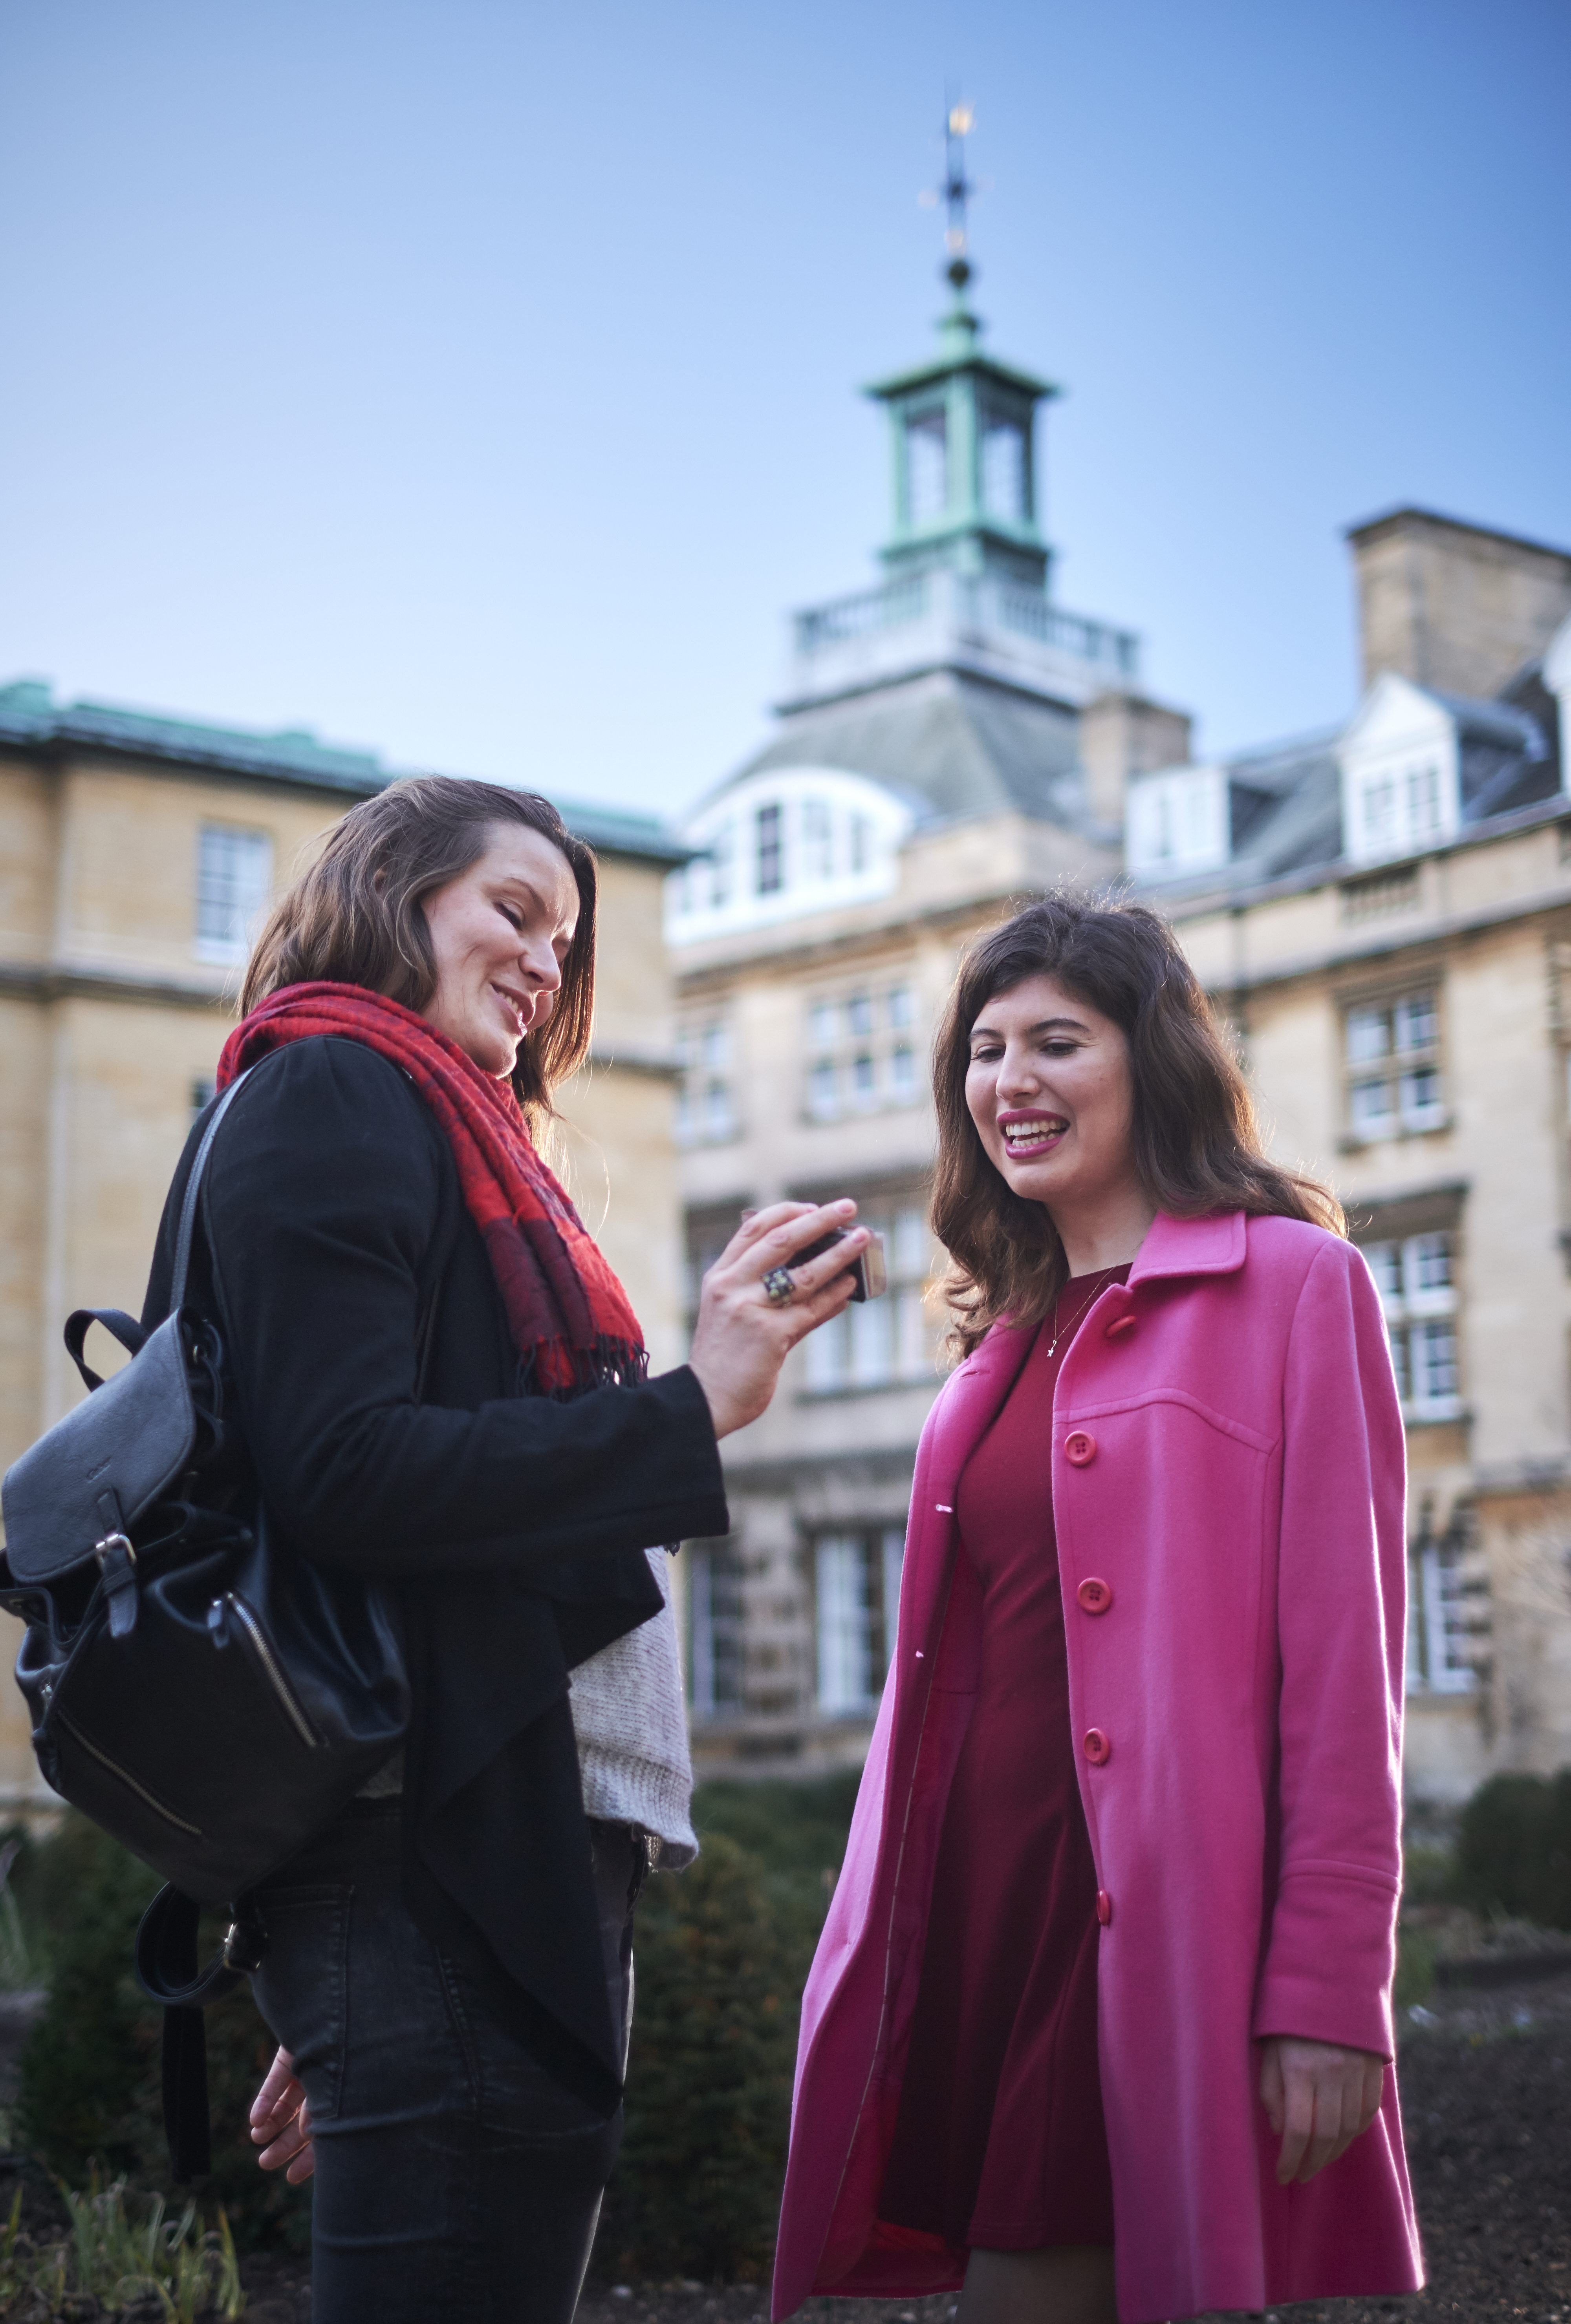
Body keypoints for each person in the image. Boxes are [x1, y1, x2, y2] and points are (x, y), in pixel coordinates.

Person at [139, 775, 868, 2324]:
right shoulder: (337, 1088)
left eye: (568, 938)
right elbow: (343, 1473)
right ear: (392, 897)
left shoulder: (428, 1117)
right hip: (443, 1863)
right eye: (512, 912)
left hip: (465, 1860)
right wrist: (691, 1410)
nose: (547, 962)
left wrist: (341, 1978)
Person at [771, 894, 1425, 2324]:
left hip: (1133, 1913)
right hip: (973, 1911)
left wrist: (1327, 1988)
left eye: (1058, 1042)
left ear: (1154, 1060)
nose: (1013, 1082)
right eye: (986, 1050)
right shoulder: (990, 1349)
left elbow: (1345, 1674)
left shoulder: (1298, 1287)